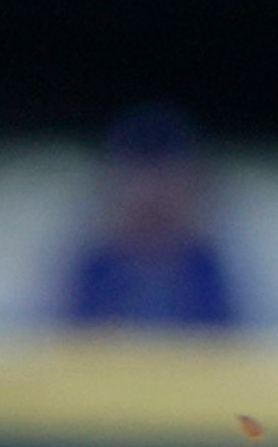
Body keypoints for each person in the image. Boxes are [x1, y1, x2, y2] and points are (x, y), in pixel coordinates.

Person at [62, 104, 240, 329]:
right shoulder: (96, 267)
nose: (151, 195)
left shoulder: (207, 267)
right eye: (139, 181)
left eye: (164, 180)